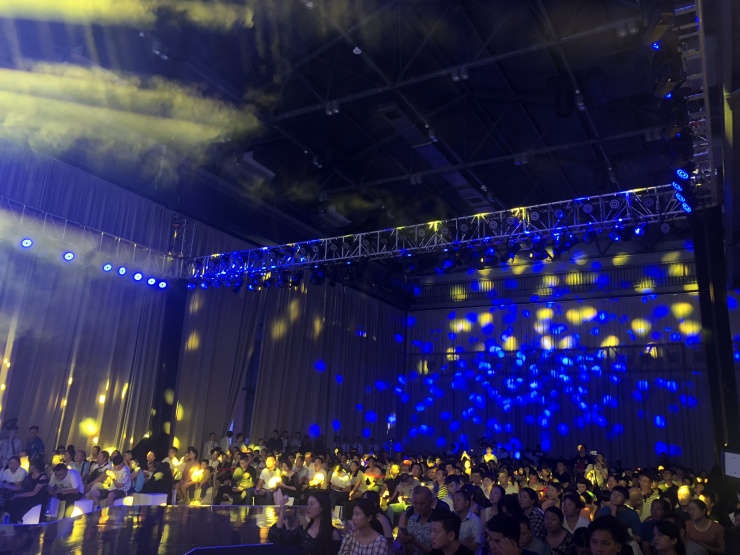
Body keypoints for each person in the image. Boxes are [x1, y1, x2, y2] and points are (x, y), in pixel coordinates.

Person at [269, 491, 342, 554]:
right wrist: (282, 513)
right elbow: (279, 538)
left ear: (322, 507)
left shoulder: (333, 533)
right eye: (308, 504)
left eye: (312, 504)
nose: (308, 507)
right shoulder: (304, 530)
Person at [452, 489, 483, 555]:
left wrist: (454, 542)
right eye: (453, 500)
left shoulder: (475, 521)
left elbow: (473, 546)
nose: (455, 503)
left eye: (458, 500)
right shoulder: (452, 518)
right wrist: (465, 542)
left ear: (467, 503)